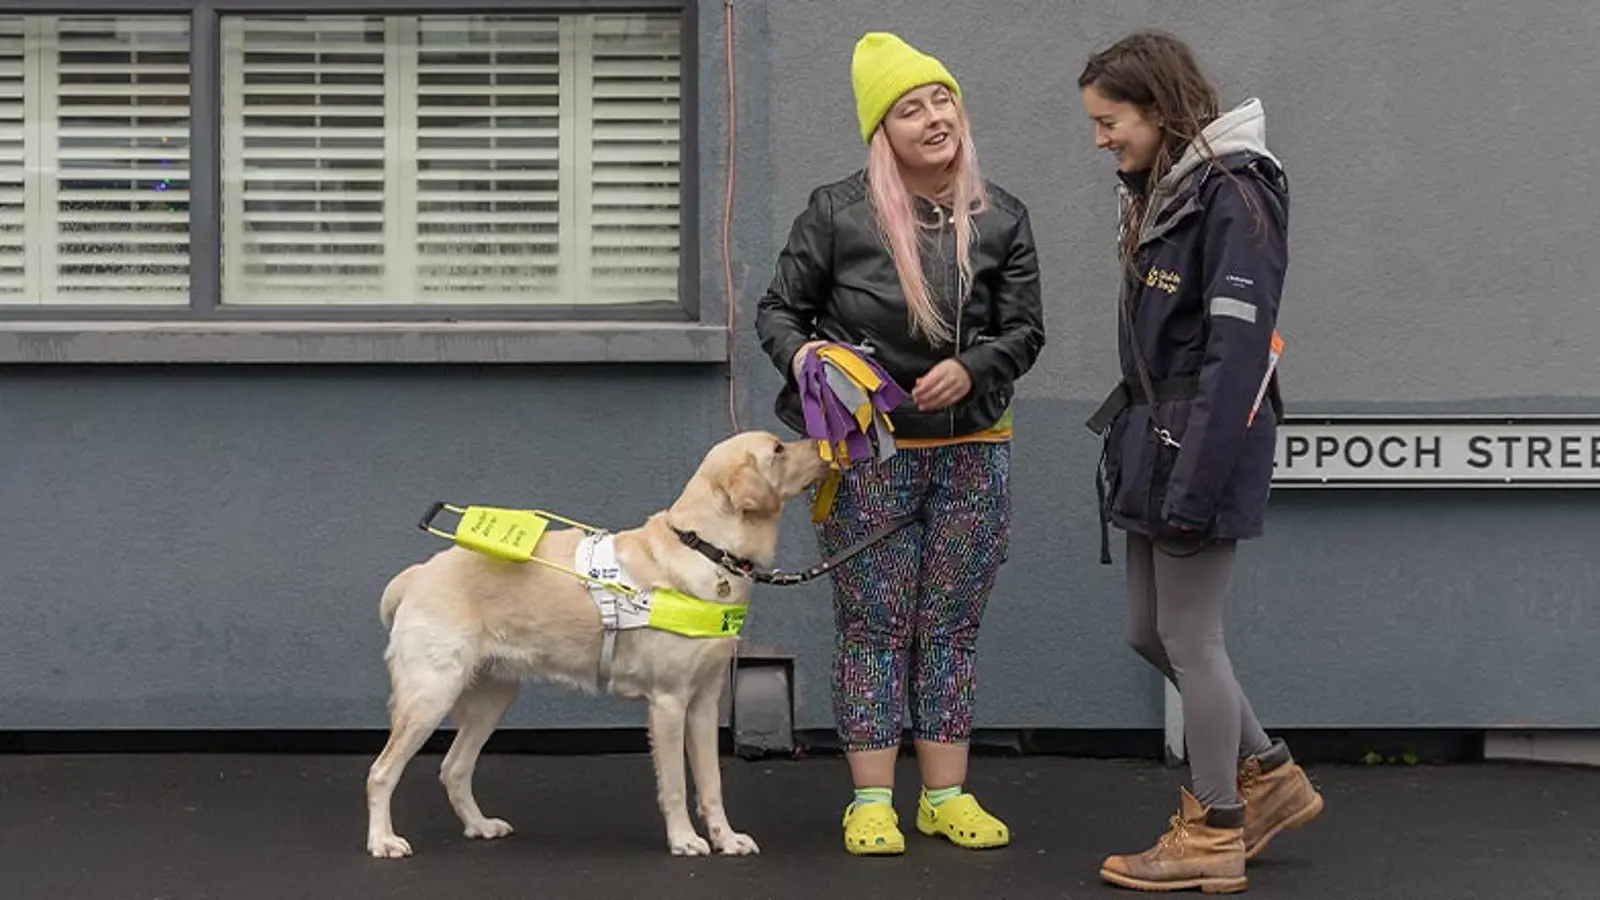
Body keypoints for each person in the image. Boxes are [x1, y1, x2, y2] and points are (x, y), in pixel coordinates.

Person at [753, 31, 1045, 857]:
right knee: (874, 625)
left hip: (974, 449)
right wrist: (809, 359)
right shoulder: (835, 212)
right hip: (869, 454)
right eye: (910, 108)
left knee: (950, 625)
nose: (934, 117)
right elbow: (778, 312)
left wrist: (975, 367)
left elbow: (1025, 331)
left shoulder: (1003, 215)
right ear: (882, 129)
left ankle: (946, 796)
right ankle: (872, 802)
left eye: (942, 99)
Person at [1077, 30, 1322, 893]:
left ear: (1159, 108)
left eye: (1110, 121)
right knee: (1149, 631)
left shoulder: (1235, 194)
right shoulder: (1171, 189)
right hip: (1160, 438)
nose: (1101, 140)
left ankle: (1215, 827)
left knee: (1191, 635)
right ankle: (1271, 776)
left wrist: (1198, 476)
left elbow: (1238, 352)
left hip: (1201, 442)